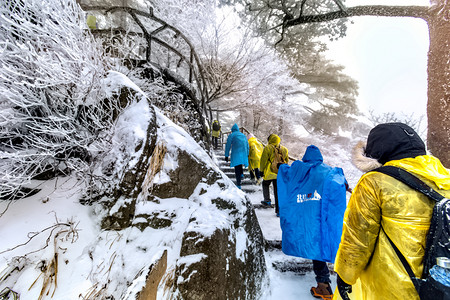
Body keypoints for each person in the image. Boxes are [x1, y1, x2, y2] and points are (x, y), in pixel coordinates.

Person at [334, 122, 450, 300]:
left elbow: (358, 240)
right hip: (439, 285)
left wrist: (345, 276)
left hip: (392, 286)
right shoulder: (445, 178)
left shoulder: (375, 182)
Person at [277, 145, 350, 300]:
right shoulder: (329, 171)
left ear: (306, 157)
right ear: (320, 158)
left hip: (309, 222)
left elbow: (285, 172)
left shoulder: (298, 169)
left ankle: (323, 286)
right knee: (327, 245)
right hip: (323, 222)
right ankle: (341, 283)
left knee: (315, 248)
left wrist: (280, 165)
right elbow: (340, 180)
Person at [259, 133, 288, 215]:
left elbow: (263, 160)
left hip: (269, 172)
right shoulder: (284, 149)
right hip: (279, 173)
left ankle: (267, 200)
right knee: (277, 191)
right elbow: (286, 161)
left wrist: (261, 171)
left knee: (265, 184)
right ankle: (279, 211)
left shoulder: (268, 148)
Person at [224, 123, 249, 189]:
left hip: (236, 152)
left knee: (237, 167)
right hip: (243, 152)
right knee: (240, 164)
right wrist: (247, 154)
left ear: (232, 130)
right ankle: (241, 174)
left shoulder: (231, 135)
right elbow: (247, 145)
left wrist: (226, 155)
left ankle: (238, 184)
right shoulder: (243, 135)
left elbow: (228, 146)